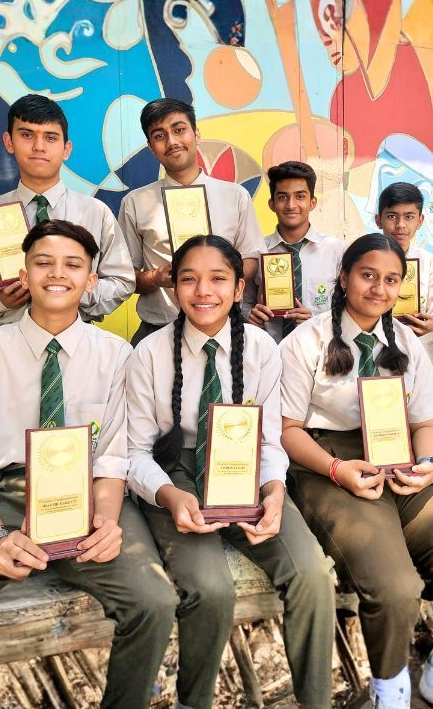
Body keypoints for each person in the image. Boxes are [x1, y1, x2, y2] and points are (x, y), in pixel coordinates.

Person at [0, 220, 177, 709]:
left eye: (73, 265)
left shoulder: (115, 356)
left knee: (153, 603)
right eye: (43, 263)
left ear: (91, 280)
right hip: (2, 498)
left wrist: (106, 522)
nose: (57, 274)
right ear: (24, 274)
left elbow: (112, 454)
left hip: (87, 495)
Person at [127, 234, 335, 709]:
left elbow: (268, 440)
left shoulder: (262, 349)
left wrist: (275, 490)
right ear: (174, 288)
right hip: (175, 472)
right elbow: (135, 453)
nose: (204, 291)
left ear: (239, 287)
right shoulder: (149, 354)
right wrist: (169, 496)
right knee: (210, 589)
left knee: (312, 575)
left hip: (246, 469)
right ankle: (194, 701)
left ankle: (315, 701)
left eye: (218, 278)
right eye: (189, 279)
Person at [280, 233, 433, 709]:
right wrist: (336, 468)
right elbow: (286, 430)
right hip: (327, 461)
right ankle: (390, 689)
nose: (379, 289)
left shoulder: (406, 342)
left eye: (391, 280)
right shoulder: (305, 341)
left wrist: (427, 464)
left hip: (399, 457)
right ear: (344, 277)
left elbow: (425, 422)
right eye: (368, 275)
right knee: (395, 587)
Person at [0, 94, 135, 324]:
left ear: (66, 149)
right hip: (11, 337)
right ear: (9, 142)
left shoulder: (96, 213)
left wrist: (72, 290)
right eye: (27, 135)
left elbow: (122, 281)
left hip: (78, 337)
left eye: (50, 138)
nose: (39, 147)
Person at [118, 98, 265, 346]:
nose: (172, 142)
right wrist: (156, 278)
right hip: (158, 330)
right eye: (159, 136)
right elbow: (125, 276)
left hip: (225, 328)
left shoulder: (235, 195)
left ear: (196, 134)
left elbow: (251, 258)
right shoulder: (135, 202)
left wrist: (219, 275)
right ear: (151, 147)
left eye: (179, 130)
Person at [244, 161, 344, 341]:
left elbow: (349, 307)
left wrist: (318, 322)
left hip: (320, 349)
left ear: (312, 202)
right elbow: (244, 300)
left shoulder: (336, 251)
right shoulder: (256, 251)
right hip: (268, 350)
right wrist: (249, 315)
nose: (291, 205)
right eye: (282, 197)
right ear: (272, 204)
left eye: (300, 196)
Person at [375, 182, 433, 341]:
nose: (400, 225)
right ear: (378, 220)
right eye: (392, 216)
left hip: (418, 345)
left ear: (420, 221)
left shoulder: (428, 263)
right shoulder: (362, 259)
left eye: (409, 217)